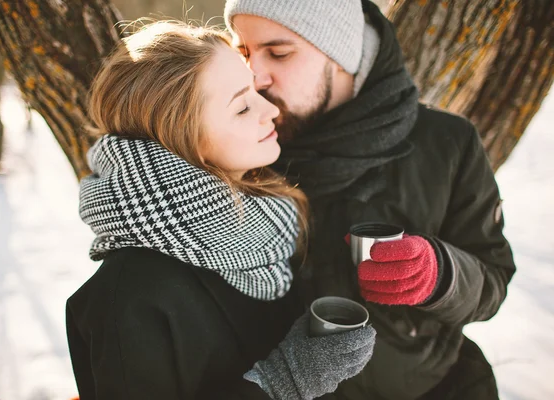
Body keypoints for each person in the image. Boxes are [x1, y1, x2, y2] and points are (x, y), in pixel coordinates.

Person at [66, 21, 376, 400]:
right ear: (183, 139)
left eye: (254, 90)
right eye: (243, 106)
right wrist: (280, 385)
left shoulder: (264, 231)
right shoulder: (128, 297)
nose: (270, 109)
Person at [223, 0, 516, 399]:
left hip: (432, 388)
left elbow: (493, 279)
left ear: (342, 54)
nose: (255, 77)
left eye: (278, 52)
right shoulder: (244, 148)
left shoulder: (447, 143)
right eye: (244, 53)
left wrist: (439, 274)